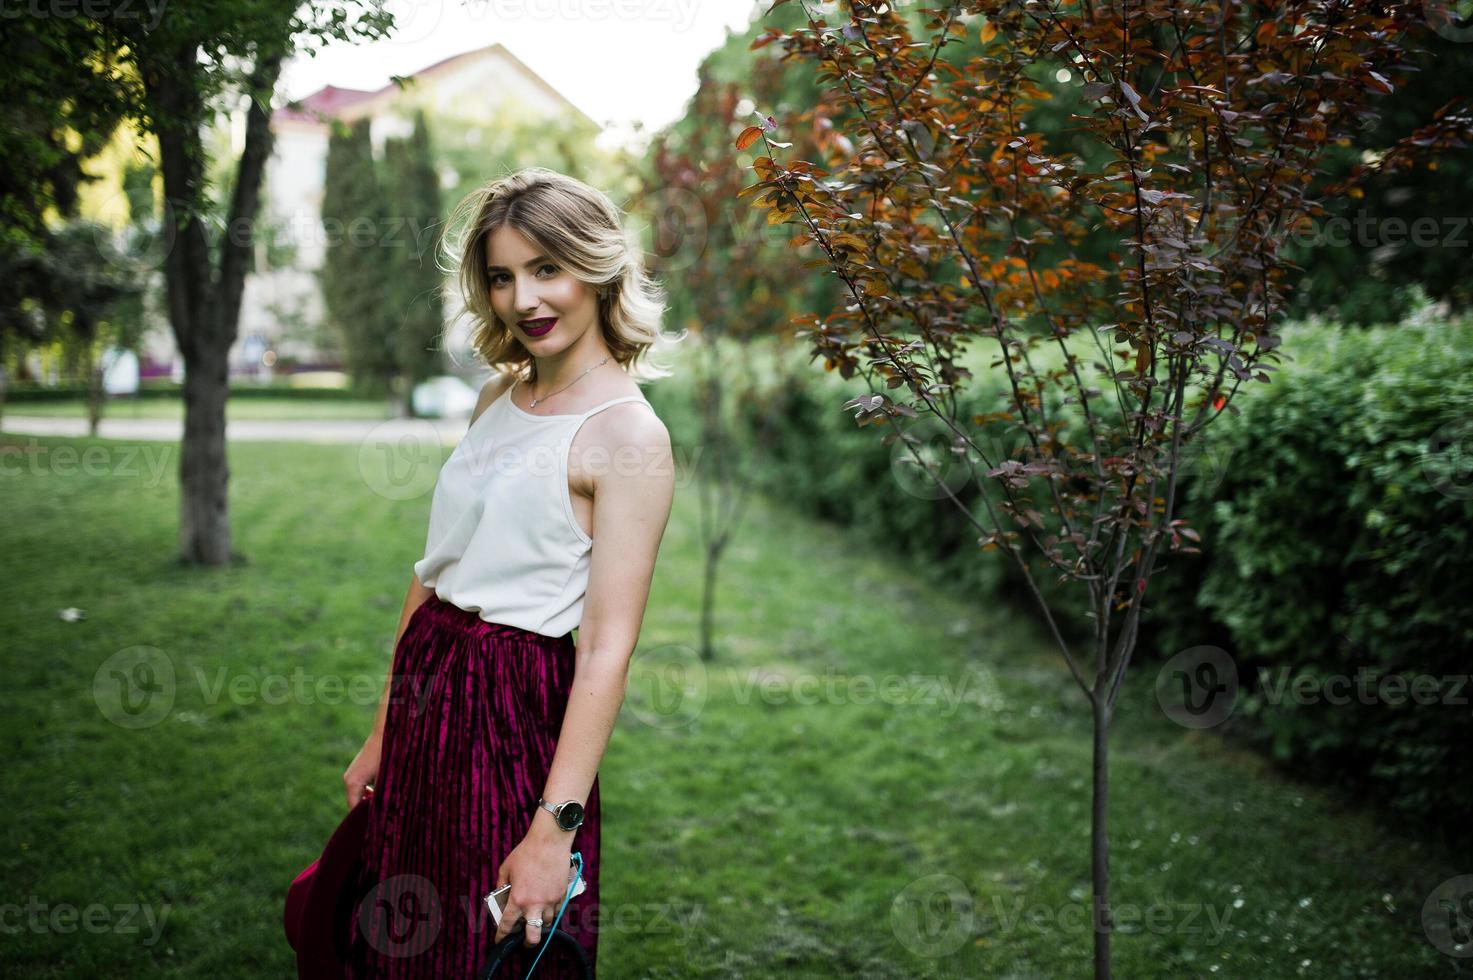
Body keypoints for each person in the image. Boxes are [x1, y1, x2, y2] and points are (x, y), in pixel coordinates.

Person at [341, 167, 681, 978]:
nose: (523, 299)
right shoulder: (497, 393)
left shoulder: (627, 435)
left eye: (546, 269)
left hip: (512, 712)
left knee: (485, 947)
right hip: (428, 694)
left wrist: (552, 831)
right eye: (501, 276)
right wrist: (384, 735)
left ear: (596, 268)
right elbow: (429, 578)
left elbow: (604, 649)